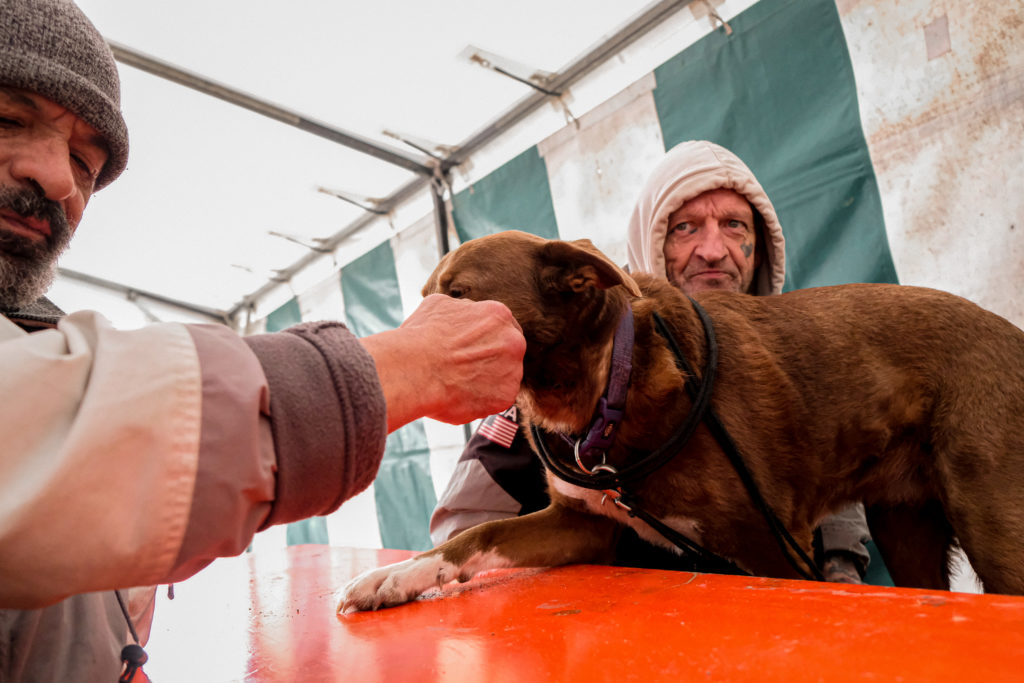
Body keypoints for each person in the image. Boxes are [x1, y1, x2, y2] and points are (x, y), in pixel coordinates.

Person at [0, 1, 525, 680]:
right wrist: (398, 367)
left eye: (85, 160)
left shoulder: (35, 328)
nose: (59, 178)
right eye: (9, 118)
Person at [430, 139, 873, 584]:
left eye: (735, 225)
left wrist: (841, 572)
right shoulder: (573, 360)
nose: (714, 249)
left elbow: (835, 489)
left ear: (760, 245)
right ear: (652, 240)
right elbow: (466, 518)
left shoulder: (797, 360)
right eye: (686, 228)